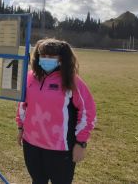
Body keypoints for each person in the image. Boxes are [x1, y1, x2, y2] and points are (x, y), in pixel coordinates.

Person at [16, 38, 96, 184]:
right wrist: (21, 128)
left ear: (61, 58)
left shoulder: (72, 81)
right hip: (31, 145)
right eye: (43, 55)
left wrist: (81, 143)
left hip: (60, 149)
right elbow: (23, 105)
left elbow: (88, 112)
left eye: (52, 56)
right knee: (37, 181)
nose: (46, 59)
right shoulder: (29, 77)